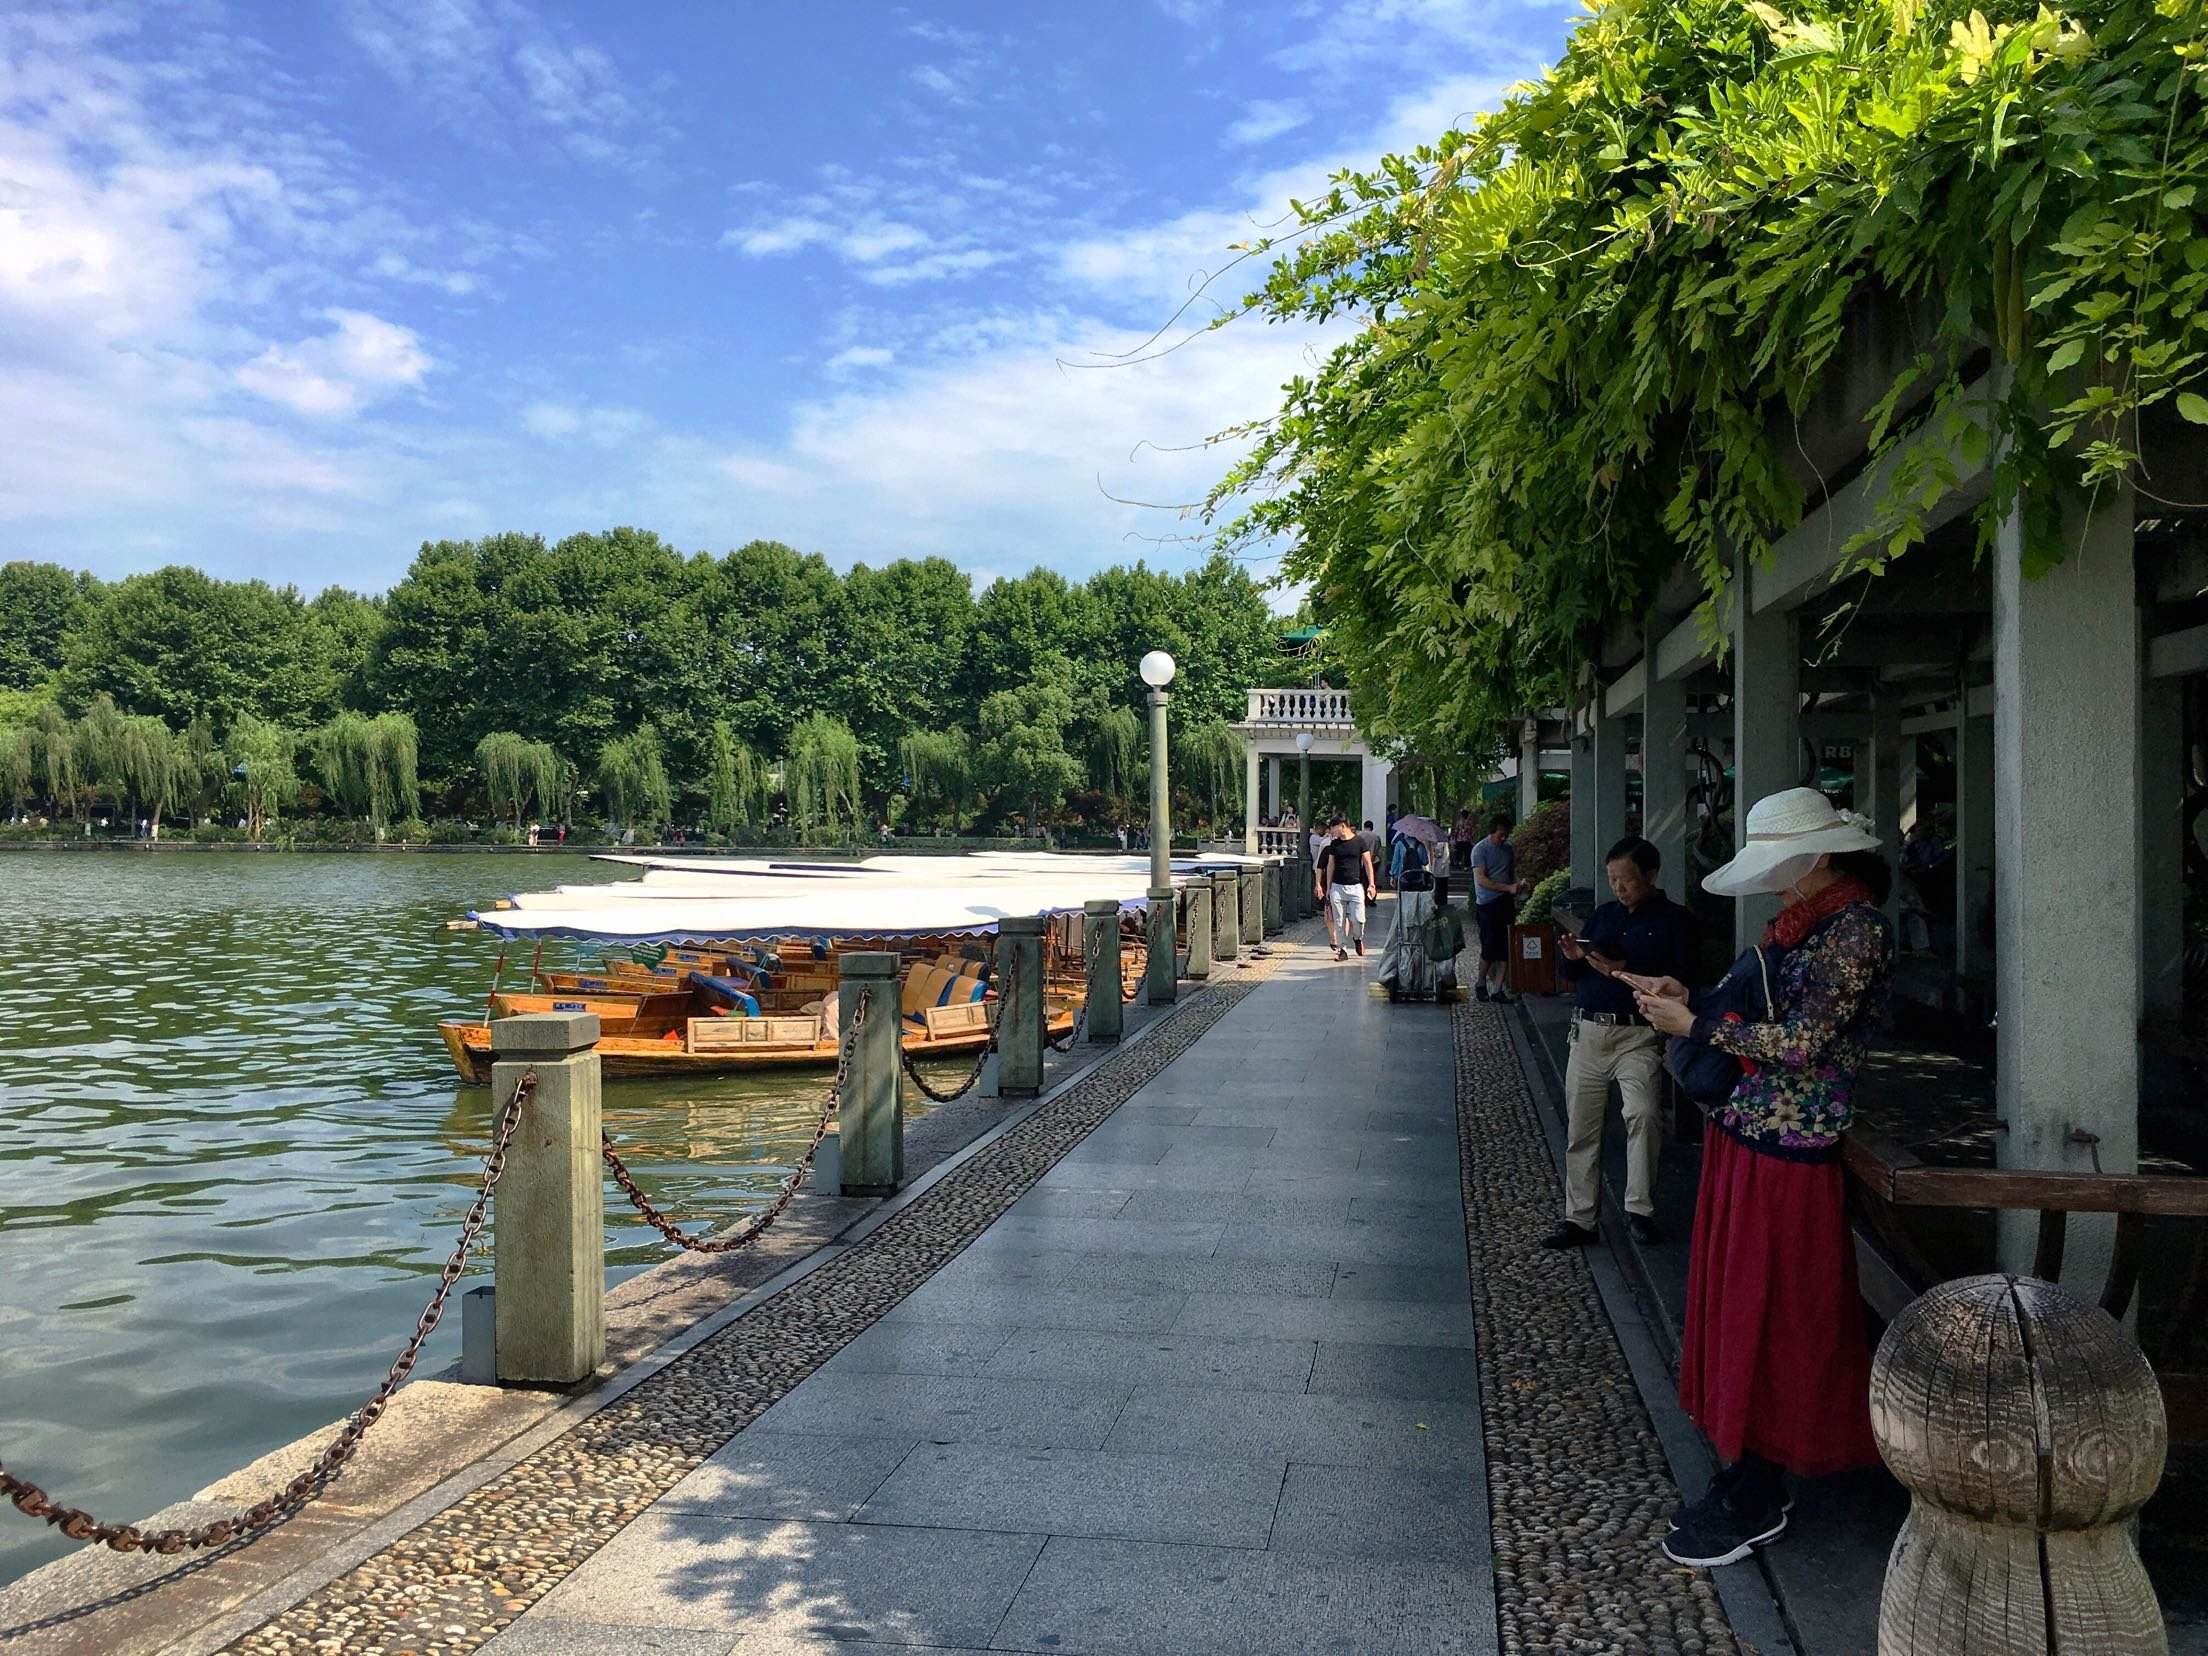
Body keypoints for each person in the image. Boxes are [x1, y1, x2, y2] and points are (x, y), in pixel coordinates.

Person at [1624, 788, 1894, 1569]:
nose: (1775, 882)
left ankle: (1761, 1477)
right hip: (1754, 1131)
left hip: (1794, 1147)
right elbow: (1772, 1023)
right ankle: (1748, 1464)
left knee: (1776, 1310)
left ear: (1818, 858)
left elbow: (1806, 1040)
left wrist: (1700, 1025)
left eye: (1783, 866)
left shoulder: (1857, 931)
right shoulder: (1807, 925)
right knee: (1748, 1301)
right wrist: (1693, 1001)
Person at [1542, 836, 1696, 1251]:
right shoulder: (1603, 915)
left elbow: (1685, 974)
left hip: (1638, 1034)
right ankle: (1580, 1217)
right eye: (1612, 879)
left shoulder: (1674, 920)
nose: (1619, 887)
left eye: (1626, 879)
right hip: (1591, 1030)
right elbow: (1570, 976)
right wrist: (1574, 957)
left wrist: (1626, 967)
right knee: (1581, 1126)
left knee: (1644, 1114)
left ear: (1649, 875)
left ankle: (1639, 1210)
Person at [1469, 813, 1524, 1002]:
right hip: (1487, 904)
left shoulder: (1508, 849)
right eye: (1500, 834)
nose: (1503, 838)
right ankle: (1481, 982)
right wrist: (1507, 887)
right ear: (1492, 832)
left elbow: (1511, 872)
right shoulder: (1480, 850)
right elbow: (1482, 879)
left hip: (1505, 903)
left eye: (1506, 834)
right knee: (1489, 946)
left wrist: (1519, 884)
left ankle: (1499, 988)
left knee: (1505, 947)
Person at [1316, 816, 1375, 961]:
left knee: (1358, 919)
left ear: (1342, 826)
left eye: (1333, 828)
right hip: (1337, 886)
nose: (1331, 831)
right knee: (1339, 920)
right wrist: (1328, 887)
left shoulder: (1360, 842)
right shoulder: (1335, 845)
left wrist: (1372, 884)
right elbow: (1331, 865)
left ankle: (1358, 938)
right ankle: (1342, 950)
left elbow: (1368, 863)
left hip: (1355, 886)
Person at [1357, 818, 1385, 890]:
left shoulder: (1359, 835)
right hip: (1373, 860)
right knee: (1372, 878)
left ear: (1364, 826)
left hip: (1361, 861)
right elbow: (1378, 851)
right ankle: (1371, 896)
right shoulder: (1376, 837)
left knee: (1362, 879)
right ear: (1372, 827)